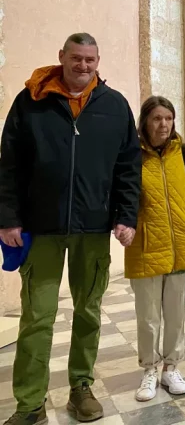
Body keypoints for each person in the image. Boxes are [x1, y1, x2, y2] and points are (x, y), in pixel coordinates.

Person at [0, 33, 141, 425]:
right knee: (37, 317)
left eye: (90, 59)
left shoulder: (114, 106)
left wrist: (126, 216)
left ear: (98, 61)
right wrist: (8, 218)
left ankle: (81, 387)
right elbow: (8, 164)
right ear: (62, 56)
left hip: (92, 228)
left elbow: (129, 168)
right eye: (76, 58)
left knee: (88, 311)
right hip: (41, 227)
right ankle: (30, 404)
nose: (83, 66)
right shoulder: (31, 101)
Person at [126, 96, 185, 402]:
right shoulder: (132, 155)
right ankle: (149, 369)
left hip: (180, 247)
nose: (163, 124)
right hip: (146, 247)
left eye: (168, 118)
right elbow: (122, 193)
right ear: (145, 122)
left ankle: (171, 368)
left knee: (175, 315)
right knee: (148, 317)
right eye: (157, 118)